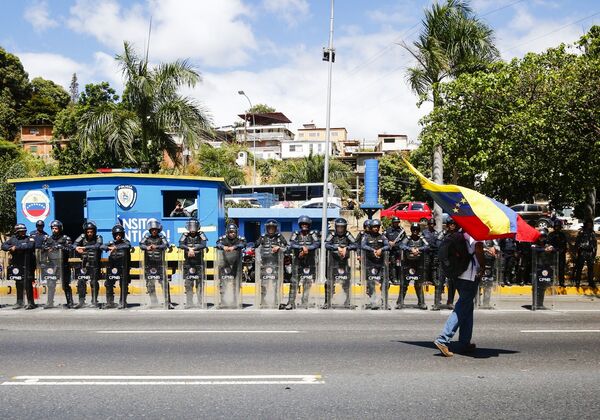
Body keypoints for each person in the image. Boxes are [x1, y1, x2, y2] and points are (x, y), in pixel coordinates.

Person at [434, 231, 485, 357]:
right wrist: (483, 266)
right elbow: (478, 250)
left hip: (458, 273)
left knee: (467, 307)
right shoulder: (477, 232)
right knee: (462, 307)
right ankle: (443, 339)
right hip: (469, 275)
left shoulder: (462, 232)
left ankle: (464, 342)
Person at [286, 216, 320, 310]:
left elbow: (317, 243)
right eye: (303, 224)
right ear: (300, 225)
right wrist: (302, 248)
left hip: (309, 261)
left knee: (307, 282)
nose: (304, 226)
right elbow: (292, 243)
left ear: (309, 225)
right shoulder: (296, 233)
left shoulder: (312, 234)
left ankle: (304, 302)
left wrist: (307, 248)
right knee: (294, 282)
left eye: (306, 224)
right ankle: (290, 302)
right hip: (297, 261)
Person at [323, 218, 356, 309]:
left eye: (342, 227)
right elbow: (326, 244)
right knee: (329, 282)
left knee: (346, 283)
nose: (340, 229)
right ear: (336, 227)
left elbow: (355, 244)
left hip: (344, 263)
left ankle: (347, 301)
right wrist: (337, 247)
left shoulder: (348, 234)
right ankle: (327, 301)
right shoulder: (332, 234)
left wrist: (347, 248)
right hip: (333, 263)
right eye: (339, 227)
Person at [254, 219, 288, 308]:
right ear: (267, 228)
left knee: (275, 284)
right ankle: (263, 301)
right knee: (264, 284)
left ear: (275, 228)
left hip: (276, 264)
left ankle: (276, 301)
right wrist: (258, 261)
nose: (271, 229)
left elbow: (287, 247)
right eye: (270, 228)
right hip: (264, 264)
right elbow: (256, 247)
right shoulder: (262, 237)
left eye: (273, 228)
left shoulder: (279, 237)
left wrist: (279, 247)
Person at [1, 224, 36, 309]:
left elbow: (29, 246)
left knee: (28, 283)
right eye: (21, 231)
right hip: (17, 265)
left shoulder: (29, 238)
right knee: (18, 283)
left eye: (24, 231)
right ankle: (19, 302)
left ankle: (31, 303)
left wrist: (16, 247)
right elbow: (3, 246)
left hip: (28, 264)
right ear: (17, 231)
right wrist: (10, 247)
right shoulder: (13, 239)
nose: (23, 232)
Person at [40, 220, 73, 309]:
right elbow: (42, 250)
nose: (54, 230)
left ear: (60, 229)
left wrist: (61, 247)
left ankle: (70, 302)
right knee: (50, 284)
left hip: (63, 264)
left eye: (56, 228)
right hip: (52, 265)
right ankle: (50, 302)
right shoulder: (48, 239)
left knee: (65, 284)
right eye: (53, 228)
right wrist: (43, 261)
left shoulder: (66, 238)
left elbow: (71, 249)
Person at [140, 218, 171, 308]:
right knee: (150, 284)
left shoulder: (161, 237)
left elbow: (166, 245)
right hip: (149, 264)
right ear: (150, 230)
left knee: (164, 283)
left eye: (155, 230)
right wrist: (147, 247)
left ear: (158, 230)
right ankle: (154, 302)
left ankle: (167, 302)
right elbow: (141, 245)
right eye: (152, 230)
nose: (154, 231)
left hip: (159, 264)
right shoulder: (146, 237)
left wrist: (156, 246)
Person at [361, 219, 390, 310]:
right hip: (370, 263)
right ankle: (372, 301)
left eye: (377, 227)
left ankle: (384, 301)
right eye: (374, 227)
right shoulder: (366, 237)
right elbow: (363, 245)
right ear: (371, 228)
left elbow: (388, 245)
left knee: (385, 283)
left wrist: (381, 249)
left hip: (380, 264)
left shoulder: (382, 237)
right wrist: (372, 250)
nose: (376, 229)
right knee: (370, 283)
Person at [73, 221, 103, 309]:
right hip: (84, 264)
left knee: (93, 282)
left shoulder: (98, 237)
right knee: (81, 281)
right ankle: (81, 301)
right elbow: (73, 244)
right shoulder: (82, 237)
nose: (89, 233)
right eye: (88, 232)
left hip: (95, 263)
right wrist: (77, 248)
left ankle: (94, 301)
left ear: (94, 231)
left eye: (91, 232)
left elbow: (98, 245)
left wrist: (84, 247)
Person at [215, 223, 246, 308]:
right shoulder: (223, 239)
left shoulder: (239, 239)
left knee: (235, 284)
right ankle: (223, 302)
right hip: (224, 264)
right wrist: (223, 247)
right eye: (231, 232)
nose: (232, 234)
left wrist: (234, 247)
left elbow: (243, 244)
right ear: (227, 232)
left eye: (234, 232)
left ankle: (235, 302)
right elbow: (217, 244)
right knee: (223, 284)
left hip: (236, 265)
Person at [178, 219, 208, 308]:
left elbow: (203, 244)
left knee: (199, 284)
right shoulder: (185, 235)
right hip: (188, 263)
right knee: (188, 284)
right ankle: (189, 303)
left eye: (194, 226)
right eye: (191, 226)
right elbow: (180, 244)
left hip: (199, 263)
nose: (192, 229)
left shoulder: (201, 234)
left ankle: (200, 302)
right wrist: (188, 248)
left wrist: (193, 249)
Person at [399, 223, 429, 310]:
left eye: (417, 230)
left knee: (419, 284)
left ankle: (421, 302)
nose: (415, 232)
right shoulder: (407, 238)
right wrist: (410, 249)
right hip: (408, 264)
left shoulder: (422, 239)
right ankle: (400, 302)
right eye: (413, 230)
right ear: (411, 230)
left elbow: (427, 246)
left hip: (418, 264)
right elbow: (401, 245)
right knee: (404, 284)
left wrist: (419, 249)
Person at [102, 224, 131, 309]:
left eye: (120, 235)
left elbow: (127, 246)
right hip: (112, 266)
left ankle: (122, 302)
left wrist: (115, 247)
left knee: (123, 284)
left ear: (122, 235)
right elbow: (102, 246)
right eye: (116, 235)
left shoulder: (125, 242)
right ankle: (110, 302)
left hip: (123, 266)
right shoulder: (111, 243)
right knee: (108, 283)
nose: (118, 236)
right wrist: (108, 247)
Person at [531, 228, 556, 310]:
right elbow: (534, 249)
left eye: (544, 237)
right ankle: (535, 304)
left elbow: (555, 250)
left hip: (545, 268)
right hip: (537, 268)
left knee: (543, 287)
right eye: (541, 236)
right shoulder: (535, 244)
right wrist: (544, 249)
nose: (542, 238)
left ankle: (540, 304)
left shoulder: (547, 245)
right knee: (536, 287)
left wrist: (551, 249)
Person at [423, 219, 444, 310]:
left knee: (434, 268)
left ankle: (432, 279)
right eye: (430, 224)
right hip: (426, 253)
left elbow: (438, 244)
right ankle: (426, 279)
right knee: (425, 267)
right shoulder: (424, 233)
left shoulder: (436, 233)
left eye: (433, 224)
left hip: (434, 253)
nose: (431, 225)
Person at [440, 218, 460, 308]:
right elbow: (437, 244)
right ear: (447, 225)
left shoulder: (458, 235)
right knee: (440, 281)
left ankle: (450, 301)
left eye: (454, 224)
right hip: (443, 260)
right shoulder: (443, 234)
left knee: (452, 283)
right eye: (450, 224)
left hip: (454, 261)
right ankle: (437, 301)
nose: (452, 226)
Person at [573, 219, 597, 288]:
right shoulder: (581, 232)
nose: (589, 225)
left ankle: (591, 282)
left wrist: (594, 253)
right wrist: (576, 251)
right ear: (586, 224)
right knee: (579, 268)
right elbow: (577, 242)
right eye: (588, 224)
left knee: (590, 268)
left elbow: (595, 244)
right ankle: (577, 282)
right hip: (582, 251)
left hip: (590, 252)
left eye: (590, 224)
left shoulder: (592, 233)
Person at [384, 217, 406, 287]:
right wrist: (389, 242)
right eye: (395, 222)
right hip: (391, 251)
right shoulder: (388, 230)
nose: (396, 223)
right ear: (392, 223)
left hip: (399, 251)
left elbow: (404, 240)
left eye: (397, 222)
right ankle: (394, 279)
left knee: (399, 265)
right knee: (392, 264)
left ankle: (399, 278)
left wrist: (397, 244)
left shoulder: (401, 231)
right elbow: (383, 238)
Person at [547, 220, 568, 287]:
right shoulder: (551, 235)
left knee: (561, 268)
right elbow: (548, 244)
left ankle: (561, 282)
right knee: (552, 268)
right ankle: (552, 281)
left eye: (558, 226)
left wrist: (562, 250)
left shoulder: (562, 235)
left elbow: (565, 245)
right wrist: (552, 249)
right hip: (552, 254)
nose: (557, 228)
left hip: (561, 254)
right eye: (556, 226)